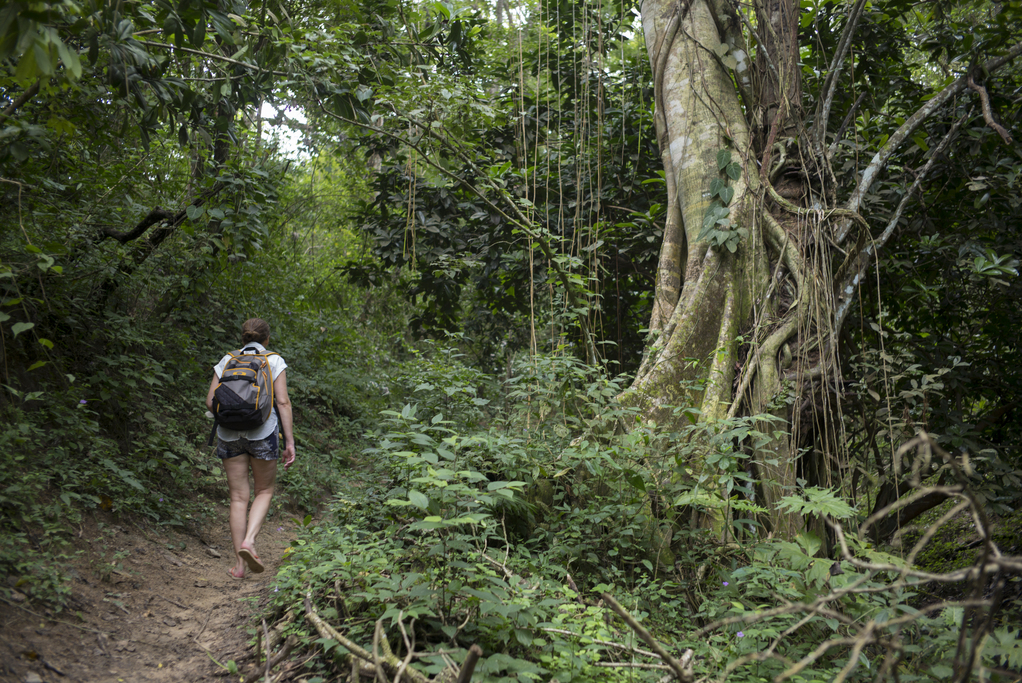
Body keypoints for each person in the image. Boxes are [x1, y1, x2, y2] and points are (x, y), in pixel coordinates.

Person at [205, 318, 296, 580]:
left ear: (242, 338)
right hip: (262, 432)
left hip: (228, 435)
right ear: (267, 339)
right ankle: (250, 542)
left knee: (237, 498)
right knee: (264, 490)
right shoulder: (274, 360)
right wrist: (289, 441)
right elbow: (283, 402)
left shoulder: (227, 360)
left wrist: (232, 415)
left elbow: (211, 401)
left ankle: (239, 567)